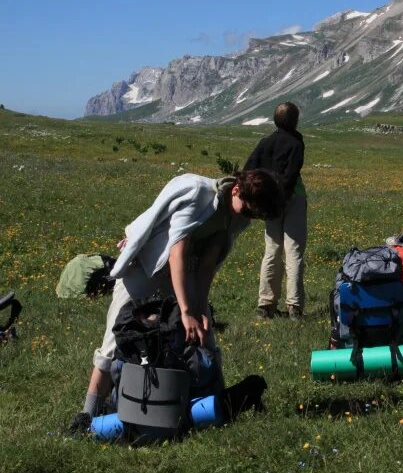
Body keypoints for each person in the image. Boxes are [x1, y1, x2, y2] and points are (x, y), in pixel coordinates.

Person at [72, 170, 284, 428]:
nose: (249, 217)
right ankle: (88, 414)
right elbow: (176, 252)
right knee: (116, 338)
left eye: (255, 214)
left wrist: (199, 308)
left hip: (185, 272)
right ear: (237, 189)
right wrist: (185, 310)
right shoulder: (198, 194)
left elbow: (208, 264)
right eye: (249, 210)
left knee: (204, 336)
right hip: (147, 266)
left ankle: (215, 405)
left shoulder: (236, 217)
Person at [245, 102, 307, 319]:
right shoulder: (296, 143)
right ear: (295, 120)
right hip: (293, 199)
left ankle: (266, 304)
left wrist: (261, 197)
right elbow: (292, 173)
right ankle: (294, 306)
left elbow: (248, 169)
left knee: (272, 250)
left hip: (270, 203)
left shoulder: (266, 143)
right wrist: (283, 195)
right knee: (294, 250)